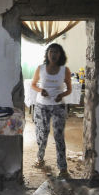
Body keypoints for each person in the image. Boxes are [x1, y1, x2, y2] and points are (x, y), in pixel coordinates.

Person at [30, 43, 72, 178]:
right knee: (42, 134)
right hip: (42, 105)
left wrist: (62, 95)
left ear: (60, 55)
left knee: (59, 136)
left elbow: (69, 89)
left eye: (56, 52)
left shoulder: (65, 70)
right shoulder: (40, 69)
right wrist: (40, 90)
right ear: (47, 54)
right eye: (51, 52)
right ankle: (40, 158)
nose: (53, 54)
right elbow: (33, 84)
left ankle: (62, 167)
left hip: (58, 106)